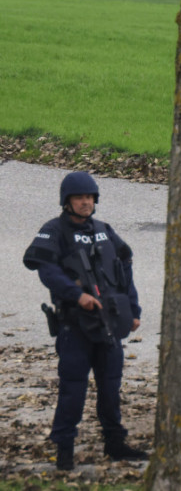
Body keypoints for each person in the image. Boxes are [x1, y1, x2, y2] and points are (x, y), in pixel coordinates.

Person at [22, 171, 148, 471]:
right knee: (73, 390)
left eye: (89, 197)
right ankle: (64, 451)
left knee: (110, 388)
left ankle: (115, 445)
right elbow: (45, 269)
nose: (85, 202)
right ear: (67, 202)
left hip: (108, 324)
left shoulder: (104, 230)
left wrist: (134, 310)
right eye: (79, 198)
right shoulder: (54, 231)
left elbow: (124, 267)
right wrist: (76, 295)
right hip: (74, 325)